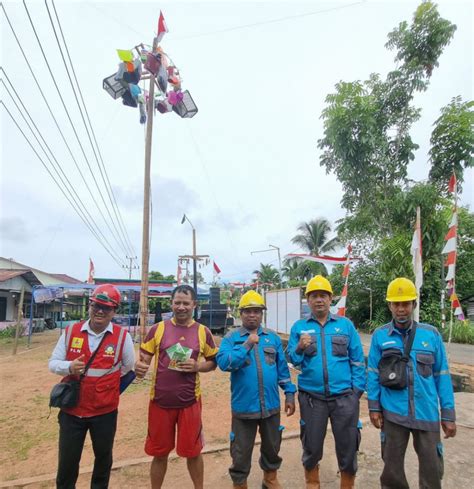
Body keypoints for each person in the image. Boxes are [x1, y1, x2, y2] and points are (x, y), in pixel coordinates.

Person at [367, 277, 456, 489]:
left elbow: (442, 375)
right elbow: (372, 373)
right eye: (396, 304)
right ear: (389, 305)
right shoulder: (380, 336)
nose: (401, 309)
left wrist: (448, 414)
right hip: (393, 412)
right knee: (391, 469)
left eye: (405, 303)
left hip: (426, 412)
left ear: (414, 304)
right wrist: (374, 407)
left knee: (432, 468)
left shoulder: (431, 334)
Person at [48, 283, 135, 489]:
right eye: (96, 305)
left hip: (104, 413)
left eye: (106, 308)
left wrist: (105, 385)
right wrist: (69, 367)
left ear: (114, 311)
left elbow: (127, 367)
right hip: (72, 412)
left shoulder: (123, 337)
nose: (100, 311)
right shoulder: (71, 332)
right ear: (90, 306)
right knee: (67, 464)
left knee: (103, 461)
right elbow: (53, 363)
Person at [135, 284, 218, 489]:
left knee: (193, 453)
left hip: (190, 403)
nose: (181, 307)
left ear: (194, 304)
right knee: (159, 454)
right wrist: (140, 365)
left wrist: (198, 366)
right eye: (177, 302)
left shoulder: (203, 331)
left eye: (185, 303)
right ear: (171, 303)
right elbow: (144, 358)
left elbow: (213, 362)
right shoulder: (158, 329)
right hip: (160, 402)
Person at [287, 275, 366, 489]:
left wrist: (355, 393)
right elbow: (292, 360)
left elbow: (358, 361)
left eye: (323, 295)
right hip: (312, 399)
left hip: (344, 398)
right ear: (308, 300)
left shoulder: (345, 325)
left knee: (348, 444)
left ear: (331, 299)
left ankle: (347, 485)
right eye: (314, 296)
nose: (319, 300)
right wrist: (300, 347)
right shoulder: (299, 327)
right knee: (311, 444)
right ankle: (313, 483)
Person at [217, 290, 296, 489]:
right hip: (244, 407)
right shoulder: (231, 338)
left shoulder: (273, 338)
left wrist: (289, 393)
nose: (253, 315)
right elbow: (224, 363)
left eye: (257, 311)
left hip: (270, 406)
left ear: (262, 314)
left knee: (272, 446)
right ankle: (240, 483)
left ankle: (269, 479)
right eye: (248, 311)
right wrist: (246, 344)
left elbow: (282, 370)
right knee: (241, 451)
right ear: (241, 313)